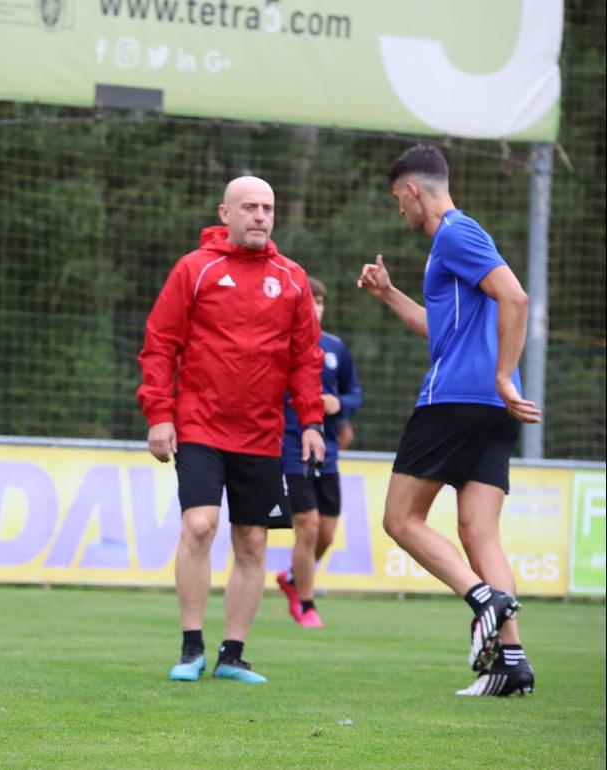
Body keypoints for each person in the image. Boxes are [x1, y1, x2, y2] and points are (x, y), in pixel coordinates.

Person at [358, 144, 539, 696]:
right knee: (478, 530)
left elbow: (517, 298)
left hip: (454, 402)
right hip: (490, 410)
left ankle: (483, 598)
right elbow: (442, 330)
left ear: (414, 190)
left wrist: (504, 374)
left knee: (399, 520)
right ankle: (511, 662)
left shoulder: (456, 234)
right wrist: (389, 295)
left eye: (398, 200)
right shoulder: (456, 247)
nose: (399, 213)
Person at [137, 176, 325, 685]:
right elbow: (160, 344)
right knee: (199, 526)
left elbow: (306, 360)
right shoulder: (195, 270)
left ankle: (232, 654)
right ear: (226, 214)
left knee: (253, 543)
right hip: (199, 425)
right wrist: (159, 412)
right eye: (249, 207)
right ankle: (191, 647)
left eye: (267, 207)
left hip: (264, 435)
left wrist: (311, 423)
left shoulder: (291, 279)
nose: (260, 216)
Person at [274, 277, 362, 628]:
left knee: (325, 532)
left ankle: (294, 577)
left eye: (321, 302)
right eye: (311, 301)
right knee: (307, 527)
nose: (316, 308)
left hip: (328, 455)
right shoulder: (279, 347)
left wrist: (339, 406)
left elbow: (355, 394)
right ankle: (307, 604)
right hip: (291, 448)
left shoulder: (336, 349)